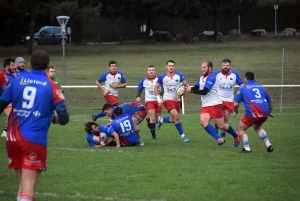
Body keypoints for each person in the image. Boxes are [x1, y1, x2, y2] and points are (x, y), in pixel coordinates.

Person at [0, 50, 69, 201]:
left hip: (13, 138)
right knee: (29, 188)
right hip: (34, 140)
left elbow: (1, 104)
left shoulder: (17, 81)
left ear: (30, 65)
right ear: (48, 65)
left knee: (23, 185)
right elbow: (64, 118)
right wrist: (54, 118)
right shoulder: (52, 86)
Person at [185, 61, 240, 146]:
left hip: (215, 105)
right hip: (205, 105)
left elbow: (204, 91)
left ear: (210, 68)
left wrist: (191, 90)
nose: (202, 69)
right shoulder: (201, 78)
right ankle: (219, 138)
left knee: (222, 126)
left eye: (204, 67)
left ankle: (236, 135)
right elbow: (196, 87)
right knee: (203, 122)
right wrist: (188, 89)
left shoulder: (212, 77)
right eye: (202, 67)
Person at [233, 71, 274, 153]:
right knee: (257, 127)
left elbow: (235, 104)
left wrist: (236, 111)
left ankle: (247, 148)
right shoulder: (261, 87)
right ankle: (268, 145)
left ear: (245, 79)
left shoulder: (243, 88)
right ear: (254, 79)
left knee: (241, 128)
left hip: (252, 112)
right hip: (264, 112)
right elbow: (271, 101)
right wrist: (269, 111)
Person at [154, 60, 190, 143]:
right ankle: (183, 136)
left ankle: (161, 120)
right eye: (169, 66)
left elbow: (186, 86)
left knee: (173, 119)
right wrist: (159, 99)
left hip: (177, 100)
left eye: (172, 66)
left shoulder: (179, 75)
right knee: (176, 116)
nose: (171, 67)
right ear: (166, 67)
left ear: (174, 67)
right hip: (167, 99)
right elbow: (156, 87)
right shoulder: (162, 77)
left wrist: (180, 95)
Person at [214, 59, 244, 141]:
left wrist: (244, 92)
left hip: (229, 100)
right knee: (219, 117)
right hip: (218, 99)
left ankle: (223, 135)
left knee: (226, 118)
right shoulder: (216, 74)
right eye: (224, 65)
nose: (225, 67)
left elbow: (241, 84)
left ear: (230, 66)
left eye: (227, 65)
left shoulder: (235, 74)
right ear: (221, 66)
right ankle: (216, 126)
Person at [136, 65, 162, 139]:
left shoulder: (159, 79)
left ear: (155, 71)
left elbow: (163, 88)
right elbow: (140, 89)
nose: (151, 72)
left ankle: (149, 122)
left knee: (156, 120)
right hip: (149, 101)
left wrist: (162, 95)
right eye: (150, 70)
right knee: (153, 118)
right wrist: (138, 96)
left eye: (152, 70)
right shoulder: (144, 80)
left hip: (158, 101)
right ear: (147, 71)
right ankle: (153, 136)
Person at [1, 58, 16, 138]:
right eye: (12, 65)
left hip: (9, 100)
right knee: (12, 115)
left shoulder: (13, 76)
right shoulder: (1, 74)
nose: (14, 67)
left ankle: (5, 131)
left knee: (13, 115)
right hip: (3, 99)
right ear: (7, 66)